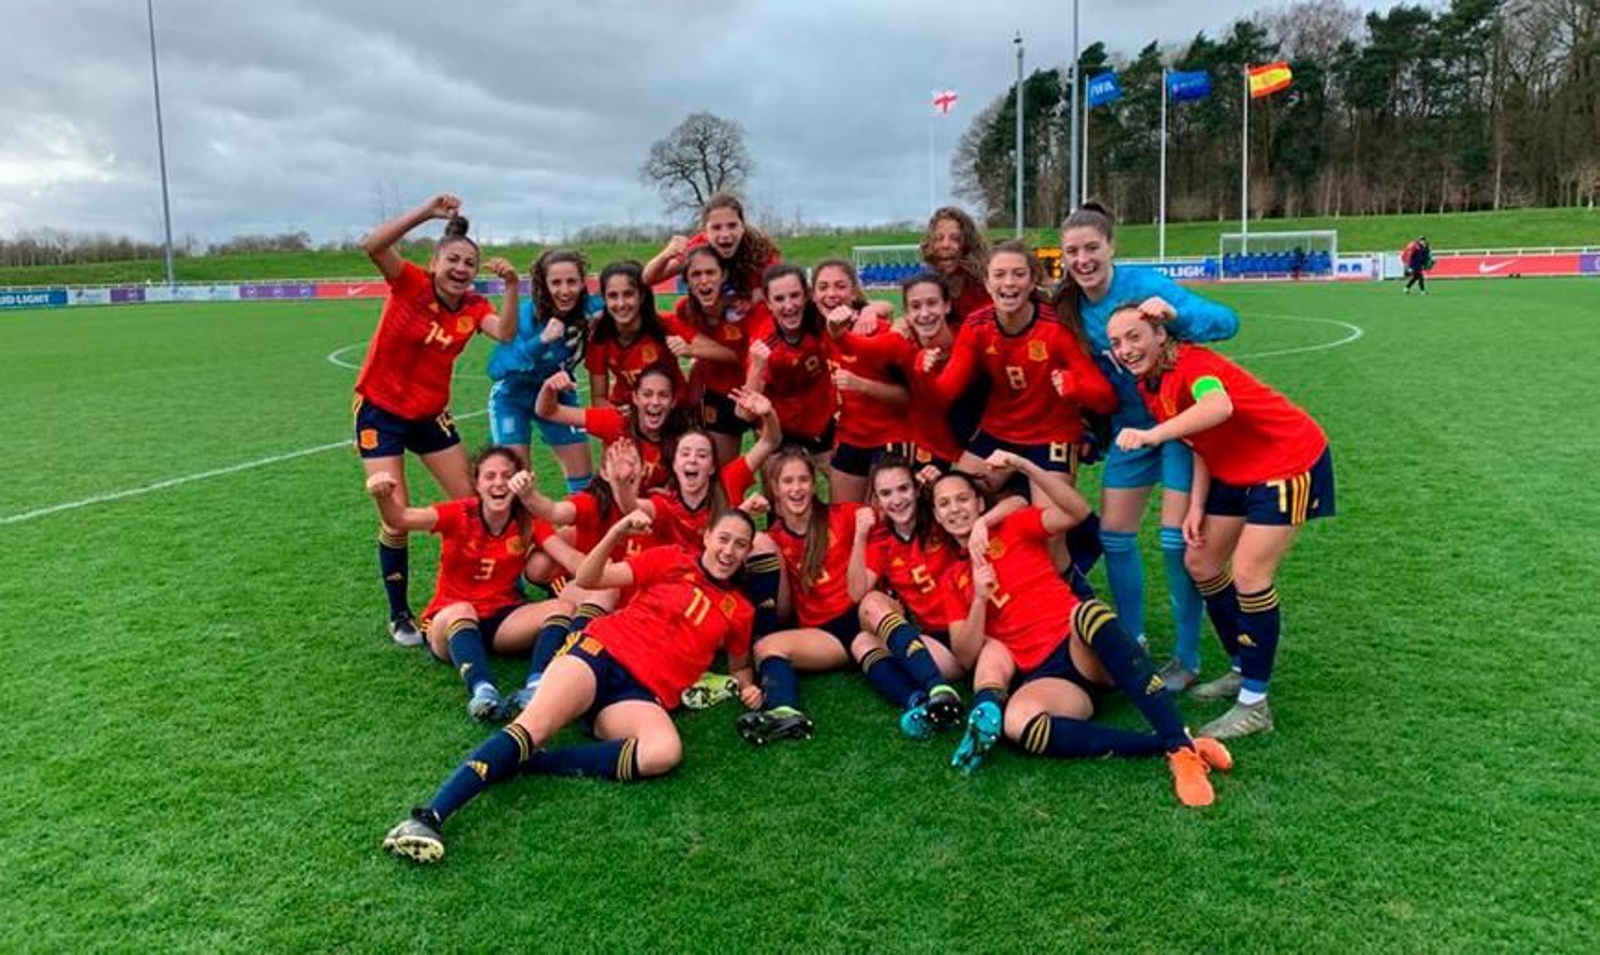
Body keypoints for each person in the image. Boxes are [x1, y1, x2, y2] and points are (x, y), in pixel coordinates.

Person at [381, 508, 764, 864]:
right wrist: (616, 532)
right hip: (599, 654)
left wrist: (748, 688)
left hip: (640, 694)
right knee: (534, 728)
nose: (729, 551)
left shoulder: (740, 610)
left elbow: (740, 665)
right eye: (724, 538)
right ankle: (428, 816)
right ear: (708, 536)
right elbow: (590, 579)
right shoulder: (671, 559)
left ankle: (535, 763)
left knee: (663, 752)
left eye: (740, 544)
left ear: (748, 552)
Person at [930, 460, 1233, 807]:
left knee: (1088, 611)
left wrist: (1027, 467)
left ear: (979, 503)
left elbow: (1076, 512)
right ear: (937, 517)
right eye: (944, 504)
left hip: (1083, 647)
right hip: (1048, 678)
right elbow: (966, 655)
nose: (955, 509)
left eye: (962, 499)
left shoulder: (1014, 526)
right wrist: (980, 600)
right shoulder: (951, 579)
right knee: (1017, 723)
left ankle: (1179, 747)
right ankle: (1170, 745)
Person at [1109, 305, 1336, 740]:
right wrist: (1196, 504)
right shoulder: (1151, 383)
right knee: (1202, 562)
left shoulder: (1196, 364)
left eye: (1134, 336)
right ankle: (1241, 665)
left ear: (1161, 335)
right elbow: (1200, 440)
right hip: (1233, 469)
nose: (1126, 349)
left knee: (1251, 573)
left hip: (1287, 460)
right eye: (1117, 342)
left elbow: (1218, 405)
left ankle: (1254, 704)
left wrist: (1153, 435)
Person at [1056, 201, 1240, 691]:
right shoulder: (1067, 304)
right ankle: (1133, 642)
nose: (1083, 259)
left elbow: (1226, 321)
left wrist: (1175, 315)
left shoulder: (1143, 286)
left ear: (1111, 246)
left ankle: (1186, 657)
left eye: (1092, 247)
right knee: (1115, 535)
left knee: (1174, 541)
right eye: (1073, 251)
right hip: (1129, 432)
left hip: (1180, 425)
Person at [354, 194, 520, 648]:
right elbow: (372, 246)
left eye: (469, 262)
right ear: (435, 260)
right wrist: (427, 213)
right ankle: (400, 613)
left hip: (430, 416)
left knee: (473, 501)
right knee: (397, 514)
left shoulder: (472, 308)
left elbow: (504, 333)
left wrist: (510, 286)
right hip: (380, 412)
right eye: (453, 259)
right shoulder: (409, 284)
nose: (461, 268)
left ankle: (490, 589)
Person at [736, 446, 943, 744]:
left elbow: (897, 505)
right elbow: (725, 551)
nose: (796, 489)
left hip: (864, 615)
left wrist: (927, 485)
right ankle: (785, 712)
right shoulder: (776, 538)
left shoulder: (845, 514)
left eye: (803, 480)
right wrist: (743, 515)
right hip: (824, 635)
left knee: (871, 602)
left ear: (814, 484)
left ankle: (930, 694)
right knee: (767, 646)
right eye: (787, 481)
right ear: (774, 489)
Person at [364, 445, 573, 720]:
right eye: (490, 476)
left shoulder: (527, 519)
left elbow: (572, 559)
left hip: (501, 619)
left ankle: (536, 687)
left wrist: (616, 554)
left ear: (519, 480)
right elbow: (399, 519)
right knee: (463, 610)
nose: (498, 482)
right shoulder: (459, 513)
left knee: (563, 608)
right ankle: (482, 691)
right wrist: (383, 497)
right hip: (447, 622)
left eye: (506, 475)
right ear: (476, 482)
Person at [485, 249, 598, 492]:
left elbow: (630, 303)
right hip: (514, 397)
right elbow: (497, 368)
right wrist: (541, 341)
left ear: (582, 283)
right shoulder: (527, 316)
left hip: (559, 396)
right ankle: (524, 530)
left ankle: (579, 530)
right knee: (516, 482)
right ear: (543, 285)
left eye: (572, 282)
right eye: (556, 282)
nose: (565, 290)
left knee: (585, 483)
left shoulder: (591, 310)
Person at [831, 272, 964, 469]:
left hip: (972, 438)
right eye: (916, 306)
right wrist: (836, 329)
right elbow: (857, 345)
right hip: (929, 444)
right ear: (907, 313)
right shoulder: (900, 342)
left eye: (932, 303)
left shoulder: (966, 338)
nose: (925, 313)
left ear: (947, 305)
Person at [814, 257, 909, 502]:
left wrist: (861, 385)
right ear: (813, 295)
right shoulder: (816, 332)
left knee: (887, 519)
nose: (831, 294)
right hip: (849, 437)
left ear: (854, 292)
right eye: (823, 287)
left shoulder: (874, 330)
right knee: (844, 519)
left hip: (888, 438)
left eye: (840, 286)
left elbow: (906, 396)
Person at [670, 245, 761, 463]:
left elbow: (742, 356)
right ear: (687, 282)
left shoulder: (742, 307)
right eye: (695, 274)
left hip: (756, 391)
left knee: (773, 470)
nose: (703, 280)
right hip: (718, 396)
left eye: (710, 273)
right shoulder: (684, 309)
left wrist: (694, 351)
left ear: (724, 275)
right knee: (721, 473)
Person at [742, 265, 837, 470]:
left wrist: (871, 311)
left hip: (821, 421)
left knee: (846, 495)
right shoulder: (764, 343)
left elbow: (880, 308)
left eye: (795, 295)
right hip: (780, 429)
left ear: (807, 296)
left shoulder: (822, 317)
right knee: (781, 493)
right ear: (768, 303)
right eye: (779, 299)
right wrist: (757, 367)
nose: (789, 305)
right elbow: (744, 413)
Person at [536, 365, 683, 493]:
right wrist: (548, 387)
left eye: (663, 395)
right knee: (564, 513)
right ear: (635, 398)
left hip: (651, 516)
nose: (655, 402)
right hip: (608, 509)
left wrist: (669, 493)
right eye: (647, 394)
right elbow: (548, 412)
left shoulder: (683, 441)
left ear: (673, 401)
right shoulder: (615, 421)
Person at [586, 260, 687, 411]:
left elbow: (707, 346)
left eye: (628, 294)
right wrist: (620, 415)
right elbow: (599, 399)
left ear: (642, 296)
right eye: (613, 296)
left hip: (674, 410)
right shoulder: (599, 337)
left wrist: (691, 349)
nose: (621, 304)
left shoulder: (667, 325)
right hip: (628, 411)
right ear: (604, 299)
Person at [643, 192, 781, 301]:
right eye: (716, 227)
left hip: (751, 318)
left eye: (732, 226)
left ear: (742, 227)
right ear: (705, 231)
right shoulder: (697, 247)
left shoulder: (761, 251)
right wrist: (666, 255)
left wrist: (759, 295)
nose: (725, 234)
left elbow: (783, 288)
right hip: (713, 319)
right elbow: (649, 278)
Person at [919, 206, 991, 326]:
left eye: (955, 239)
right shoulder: (928, 281)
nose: (945, 245)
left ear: (967, 243)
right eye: (938, 238)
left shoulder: (984, 284)